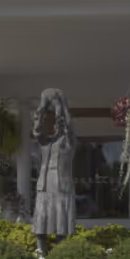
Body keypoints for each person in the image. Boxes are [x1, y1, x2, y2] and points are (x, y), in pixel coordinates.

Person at [30, 89, 75, 245]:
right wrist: (42, 105)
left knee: (62, 225)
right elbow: (36, 130)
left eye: (59, 124)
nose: (57, 126)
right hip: (44, 186)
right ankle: (42, 256)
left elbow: (69, 126)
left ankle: (59, 255)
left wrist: (59, 106)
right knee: (40, 225)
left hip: (62, 185)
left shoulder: (68, 143)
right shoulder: (45, 143)